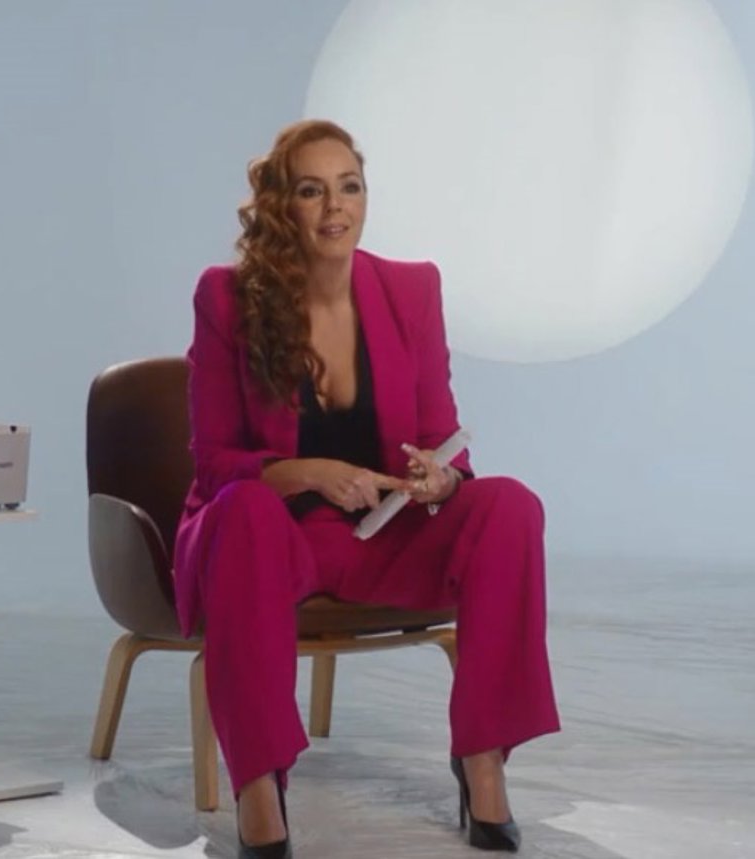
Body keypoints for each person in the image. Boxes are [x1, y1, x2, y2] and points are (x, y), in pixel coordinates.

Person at [172, 119, 559, 857]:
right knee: (245, 508)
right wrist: (310, 472)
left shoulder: (411, 289)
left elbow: (441, 435)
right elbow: (215, 463)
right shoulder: (227, 297)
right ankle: (259, 783)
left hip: (384, 536)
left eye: (348, 187)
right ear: (282, 205)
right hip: (274, 542)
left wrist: (440, 476)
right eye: (311, 191)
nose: (334, 208)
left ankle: (481, 759)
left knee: (509, 504)